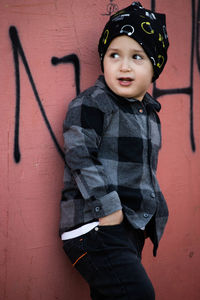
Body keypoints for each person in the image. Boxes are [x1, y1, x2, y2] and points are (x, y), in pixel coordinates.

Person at [59, 2, 169, 299]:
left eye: (137, 57)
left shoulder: (149, 114)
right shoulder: (93, 103)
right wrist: (108, 208)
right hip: (95, 226)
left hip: (127, 227)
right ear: (103, 59)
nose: (124, 66)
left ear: (154, 67)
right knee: (138, 294)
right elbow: (80, 154)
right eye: (114, 55)